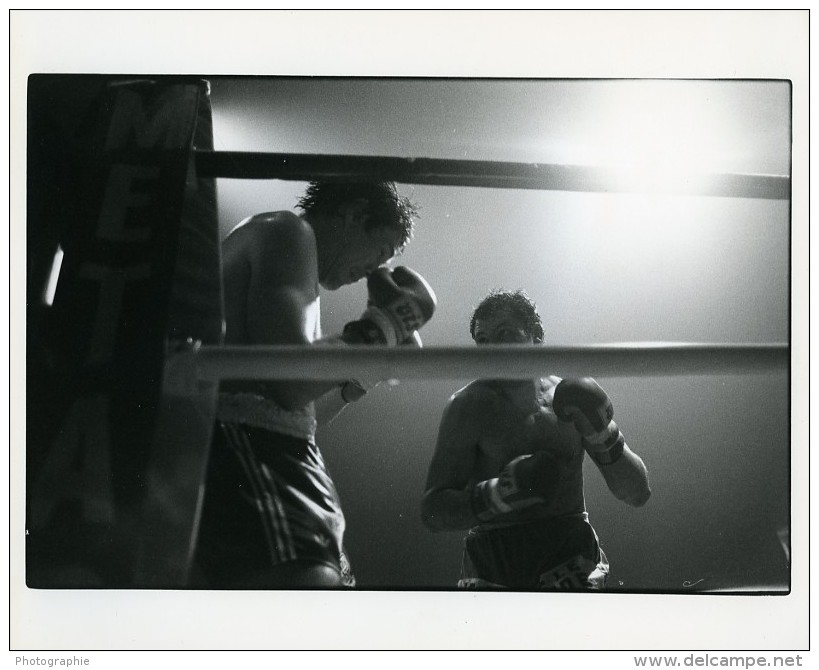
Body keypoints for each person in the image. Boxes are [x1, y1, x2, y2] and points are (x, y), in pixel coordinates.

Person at [192, 181, 436, 588]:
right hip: (252, 449)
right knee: (308, 597)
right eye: (380, 252)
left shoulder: (294, 260)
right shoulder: (288, 232)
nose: (372, 273)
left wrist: (362, 376)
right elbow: (289, 379)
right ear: (356, 214)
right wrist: (382, 328)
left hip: (271, 447)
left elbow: (298, 410)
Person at [421, 289, 650, 590]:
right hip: (496, 561)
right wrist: (501, 493)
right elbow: (433, 512)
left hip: (571, 555)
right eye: (483, 340)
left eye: (505, 334)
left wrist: (603, 434)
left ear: (536, 336)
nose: (492, 349)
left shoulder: (570, 397)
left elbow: (637, 492)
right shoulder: (468, 408)